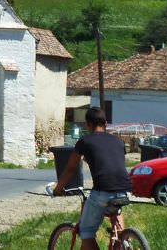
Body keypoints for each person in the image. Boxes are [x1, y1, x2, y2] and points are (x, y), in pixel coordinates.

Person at [53, 106, 132, 250]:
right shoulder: (119, 142)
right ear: (106, 124)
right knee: (115, 210)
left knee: (86, 232)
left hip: (103, 191)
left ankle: (120, 241)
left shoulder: (85, 142)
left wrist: (58, 189)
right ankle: (124, 241)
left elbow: (70, 169)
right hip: (125, 190)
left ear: (88, 124)